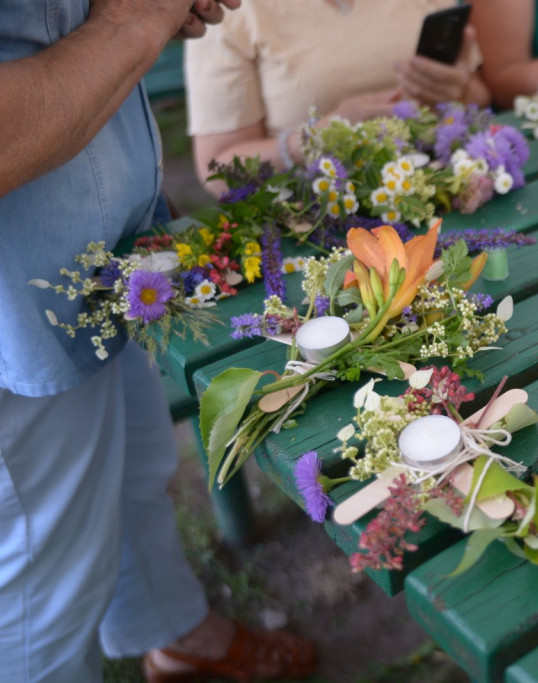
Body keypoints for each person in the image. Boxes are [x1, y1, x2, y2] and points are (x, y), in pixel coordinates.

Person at [0, 1, 316, 681]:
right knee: (37, 594)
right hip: (17, 310)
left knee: (135, 472)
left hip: (99, 257)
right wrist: (137, 18)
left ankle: (176, 635)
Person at [185, 0, 491, 194]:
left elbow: (479, 95)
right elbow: (218, 171)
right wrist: (314, 140)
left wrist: (456, 92)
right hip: (312, 220)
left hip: (443, 188)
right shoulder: (228, 8)